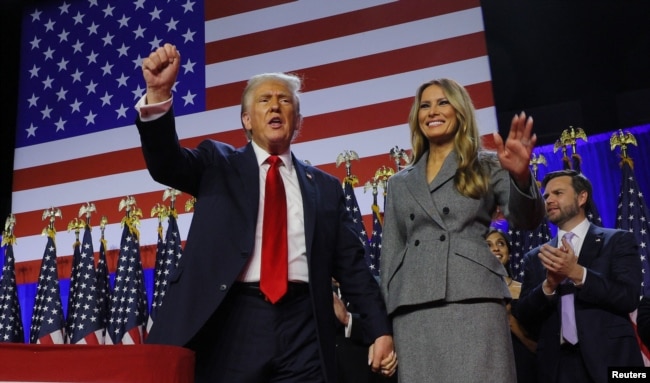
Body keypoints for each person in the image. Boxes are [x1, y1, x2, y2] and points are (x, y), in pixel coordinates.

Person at [136, 43, 396, 382]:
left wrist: (380, 330)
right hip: (235, 318)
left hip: (305, 323)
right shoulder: (218, 163)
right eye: (264, 100)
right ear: (247, 119)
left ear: (298, 121)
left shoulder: (327, 189)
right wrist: (157, 93)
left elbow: (353, 268)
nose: (275, 105)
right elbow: (166, 164)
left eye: (285, 100)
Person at [380, 78, 545, 382]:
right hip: (413, 308)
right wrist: (383, 327)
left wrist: (522, 178)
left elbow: (526, 220)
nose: (432, 111)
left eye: (443, 102)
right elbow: (390, 254)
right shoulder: (400, 182)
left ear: (460, 111)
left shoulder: (488, 164)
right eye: (425, 105)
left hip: (473, 297)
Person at [514, 170, 643, 383]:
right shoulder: (535, 257)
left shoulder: (618, 241)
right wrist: (548, 286)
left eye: (558, 193)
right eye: (546, 196)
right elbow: (524, 315)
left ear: (582, 197)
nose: (549, 200)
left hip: (614, 359)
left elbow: (628, 297)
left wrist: (577, 273)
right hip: (557, 366)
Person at [486, 228, 538, 383]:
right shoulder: (473, 293)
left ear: (508, 252)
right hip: (488, 360)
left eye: (500, 243)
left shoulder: (523, 289)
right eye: (488, 245)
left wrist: (511, 321)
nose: (495, 248)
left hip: (521, 359)